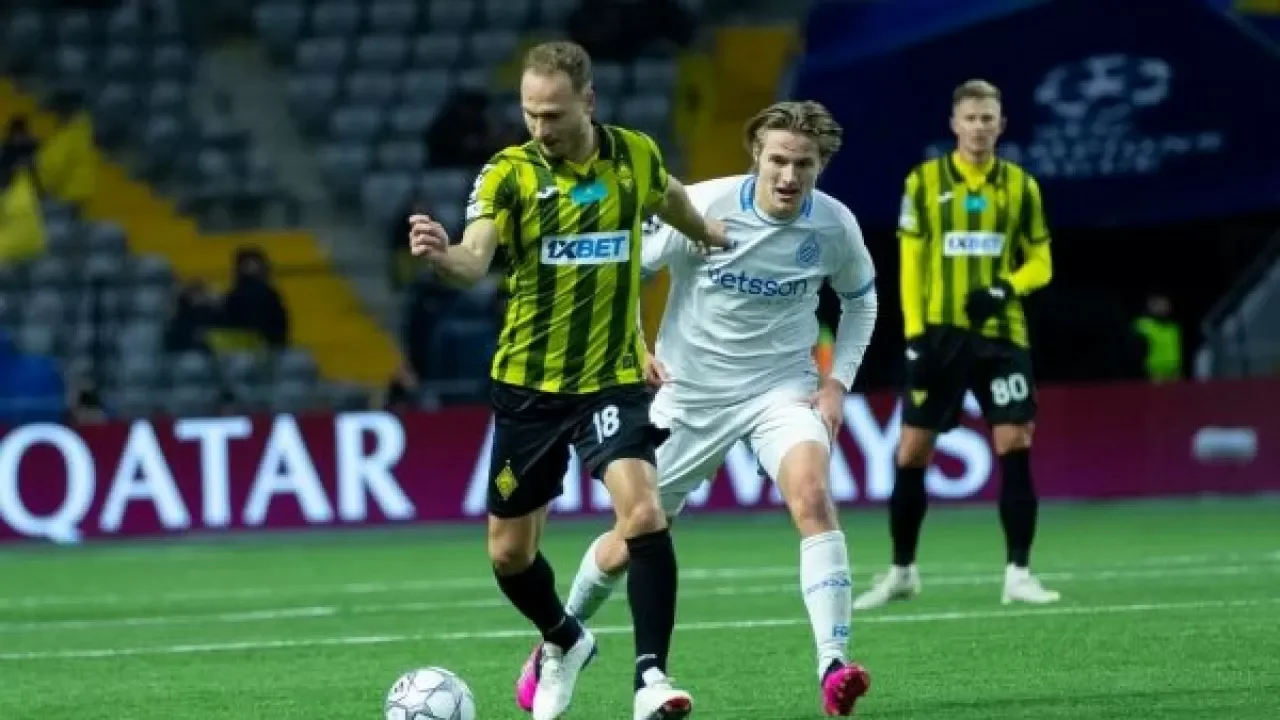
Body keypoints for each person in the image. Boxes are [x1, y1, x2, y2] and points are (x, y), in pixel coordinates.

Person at [526, 100, 878, 716]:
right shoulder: (703, 204)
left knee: (813, 496)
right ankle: (558, 639)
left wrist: (836, 384)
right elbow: (622, 267)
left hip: (781, 389)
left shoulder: (834, 226)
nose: (789, 176)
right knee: (631, 537)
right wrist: (634, 345)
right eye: (778, 160)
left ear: (820, 165)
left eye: (804, 164)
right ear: (756, 155)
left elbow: (861, 302)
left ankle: (833, 663)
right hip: (689, 395)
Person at [408, 41, 727, 720]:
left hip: (610, 379)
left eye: (552, 114)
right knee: (508, 557)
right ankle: (564, 638)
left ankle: (651, 679)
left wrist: (707, 232)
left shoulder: (633, 155)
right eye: (530, 113)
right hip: (528, 386)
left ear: (588, 101)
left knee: (644, 516)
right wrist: (443, 256)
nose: (539, 127)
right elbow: (474, 259)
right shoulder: (509, 173)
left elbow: (670, 195)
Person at [853, 79, 1060, 611]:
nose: (979, 127)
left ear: (1001, 124)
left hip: (1001, 336)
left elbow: (1041, 261)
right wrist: (915, 337)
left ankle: (1018, 573)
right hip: (939, 336)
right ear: (954, 124)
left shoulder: (1021, 187)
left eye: (988, 118)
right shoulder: (924, 182)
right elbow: (911, 263)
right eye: (971, 118)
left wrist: (1005, 288)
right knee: (911, 450)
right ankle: (902, 571)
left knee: (1015, 441)